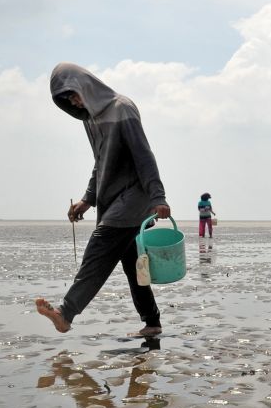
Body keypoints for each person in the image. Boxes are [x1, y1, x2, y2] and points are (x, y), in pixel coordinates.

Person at [35, 63, 171, 336]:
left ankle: (66, 313)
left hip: (134, 197)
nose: (73, 101)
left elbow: (144, 155)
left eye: (73, 93)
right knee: (134, 265)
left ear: (86, 85)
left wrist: (158, 196)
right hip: (112, 198)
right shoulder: (90, 119)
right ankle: (152, 323)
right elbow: (101, 161)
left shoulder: (123, 108)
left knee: (100, 248)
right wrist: (87, 199)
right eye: (67, 100)